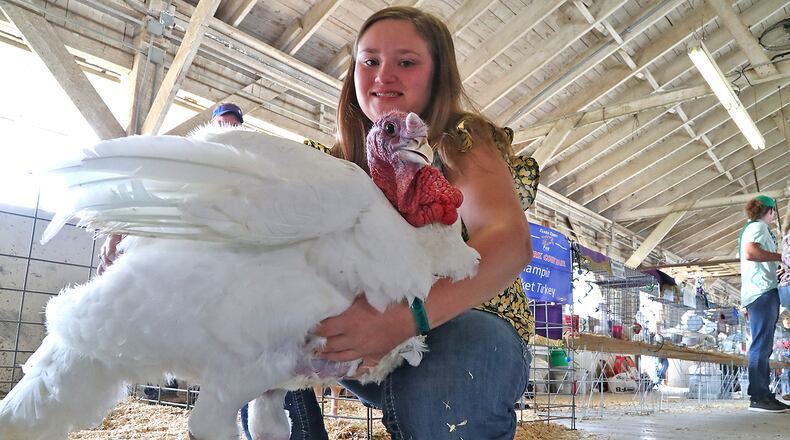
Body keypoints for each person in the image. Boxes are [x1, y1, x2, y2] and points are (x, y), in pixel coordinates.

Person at [249, 7, 536, 439]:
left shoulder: (459, 141)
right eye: (370, 61)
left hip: (467, 324)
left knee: (450, 372)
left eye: (406, 62)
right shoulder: (330, 165)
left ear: (437, 76)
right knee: (256, 330)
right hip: (363, 338)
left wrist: (404, 318)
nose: (384, 75)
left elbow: (509, 242)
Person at [738, 195, 788, 413]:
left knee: (763, 345)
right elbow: (751, 252)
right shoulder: (758, 227)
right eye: (773, 211)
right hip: (761, 291)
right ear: (769, 211)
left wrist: (776, 268)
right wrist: (781, 257)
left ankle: (763, 394)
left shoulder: (753, 227)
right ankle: (758, 396)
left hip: (761, 290)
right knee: (760, 345)